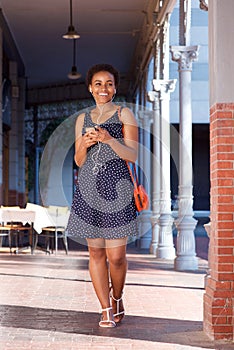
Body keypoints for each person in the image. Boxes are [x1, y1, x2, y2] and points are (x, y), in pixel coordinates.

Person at [67, 63, 138, 328]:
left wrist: (109, 139)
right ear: (90, 88)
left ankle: (117, 296)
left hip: (117, 189)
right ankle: (105, 309)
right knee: (96, 254)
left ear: (115, 88)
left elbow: (133, 155)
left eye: (108, 83)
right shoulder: (81, 119)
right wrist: (84, 144)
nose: (103, 88)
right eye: (98, 83)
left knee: (116, 256)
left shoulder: (124, 114)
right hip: (88, 190)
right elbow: (78, 160)